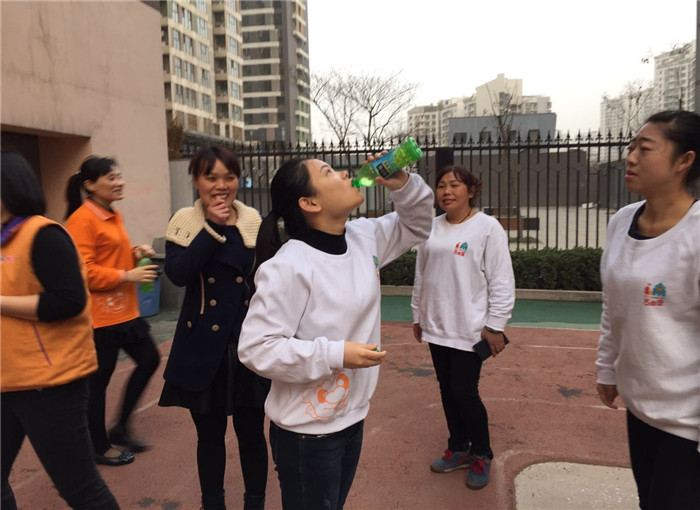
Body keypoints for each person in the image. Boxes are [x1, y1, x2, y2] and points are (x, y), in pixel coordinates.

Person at [238, 155, 434, 510]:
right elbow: (256, 348)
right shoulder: (289, 265)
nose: (345, 173)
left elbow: (418, 225)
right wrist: (335, 353)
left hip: (352, 416)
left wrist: (404, 185)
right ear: (310, 203)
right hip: (307, 433)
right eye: (328, 172)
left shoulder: (363, 237)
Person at [1, 151, 120, 509]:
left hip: (49, 385)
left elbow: (69, 301)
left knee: (80, 489)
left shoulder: (43, 235)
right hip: (7, 380)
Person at [596, 110, 700, 510]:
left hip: (687, 422)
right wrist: (608, 370)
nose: (631, 157)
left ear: (684, 160)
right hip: (640, 408)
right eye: (631, 147)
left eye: (645, 148)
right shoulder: (622, 222)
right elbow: (613, 306)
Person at [158, 146, 269, 510]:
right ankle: (213, 504)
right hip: (202, 347)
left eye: (229, 177)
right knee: (209, 436)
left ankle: (255, 503)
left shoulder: (253, 222)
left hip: (246, 343)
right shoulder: (185, 222)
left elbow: (270, 277)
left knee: (252, 433)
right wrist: (211, 229)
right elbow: (178, 274)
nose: (221, 185)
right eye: (211, 177)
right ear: (196, 181)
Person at [411, 164, 515, 490]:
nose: (446, 191)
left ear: (471, 191)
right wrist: (418, 315)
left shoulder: (487, 227)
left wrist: (495, 325)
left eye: (455, 185)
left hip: (469, 328)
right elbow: (421, 274)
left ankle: (481, 453)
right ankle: (458, 447)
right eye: (441, 185)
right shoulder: (431, 228)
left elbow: (501, 279)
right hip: (437, 324)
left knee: (464, 393)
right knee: (446, 389)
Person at [65, 156, 160, 466]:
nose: (119, 182)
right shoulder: (82, 220)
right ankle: (97, 446)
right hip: (101, 318)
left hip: (124, 311)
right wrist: (127, 275)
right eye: (111, 178)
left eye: (119, 176)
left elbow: (110, 257)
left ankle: (120, 427)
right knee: (98, 384)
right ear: (90, 185)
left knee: (149, 359)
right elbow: (84, 272)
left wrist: (134, 253)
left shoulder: (110, 213)